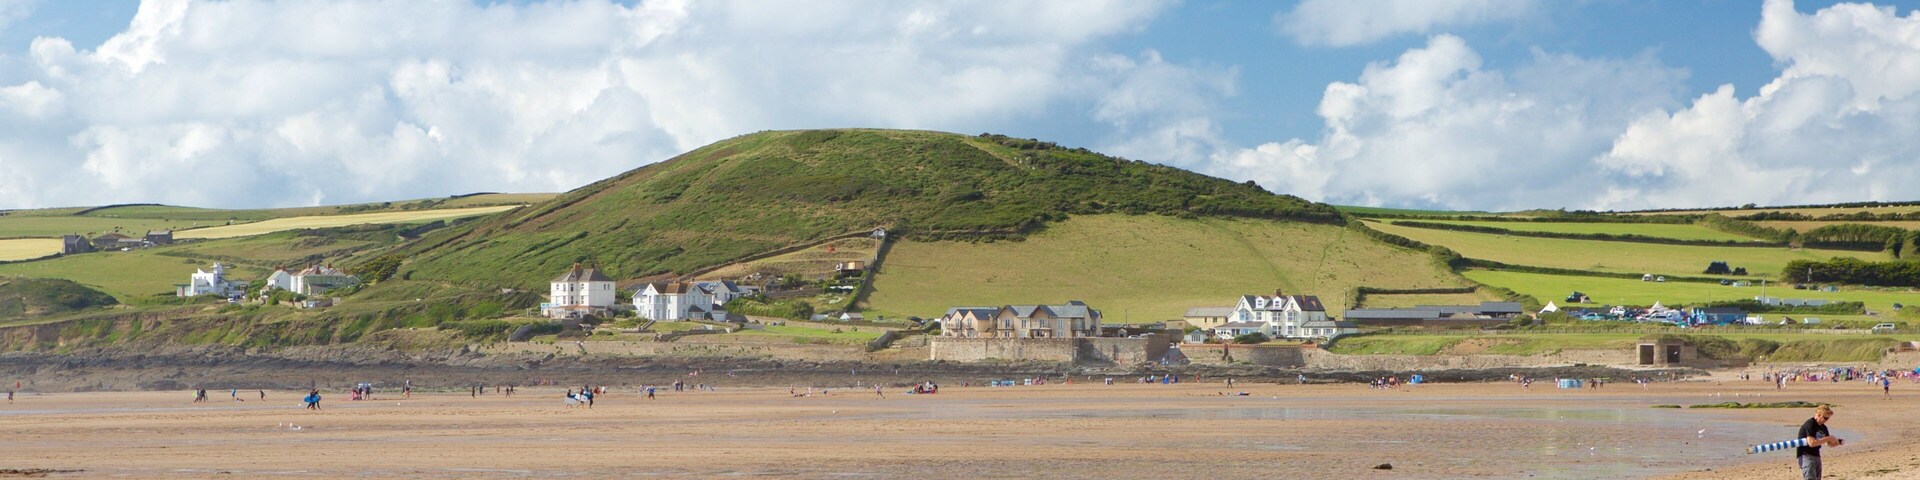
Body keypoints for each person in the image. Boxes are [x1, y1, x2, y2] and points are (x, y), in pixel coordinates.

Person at [1797, 405, 1843, 479]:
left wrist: (1838, 442)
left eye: (1828, 418)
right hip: (1805, 455)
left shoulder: (1823, 427)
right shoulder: (1810, 423)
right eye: (1825, 418)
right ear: (1819, 415)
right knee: (1810, 477)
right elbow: (1811, 443)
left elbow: (1829, 444)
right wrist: (1829, 437)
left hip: (1816, 455)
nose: (1826, 420)